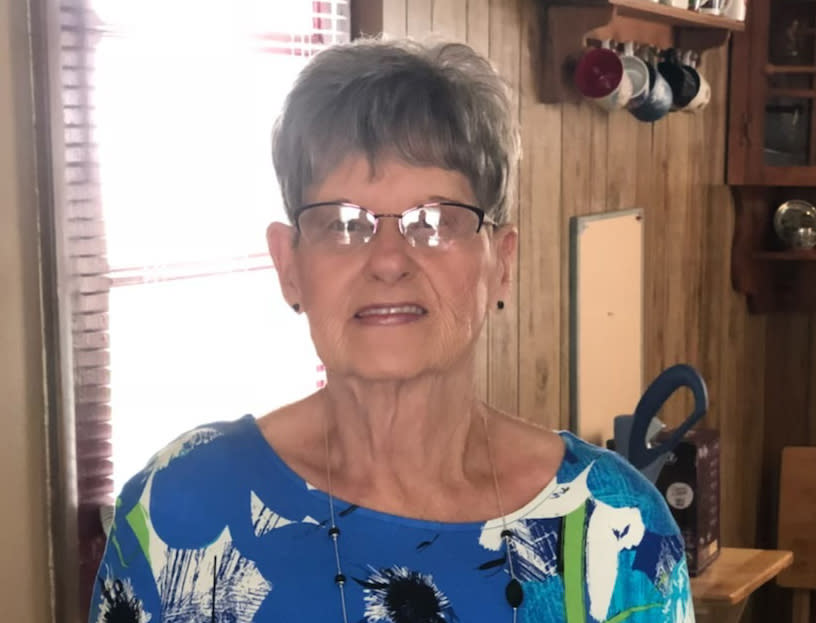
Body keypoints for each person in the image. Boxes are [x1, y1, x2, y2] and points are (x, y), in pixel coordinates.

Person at [88, 37, 694, 623]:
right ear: (289, 265)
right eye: (342, 223)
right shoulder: (180, 509)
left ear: (501, 263)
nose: (387, 259)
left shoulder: (616, 528)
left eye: (434, 220)